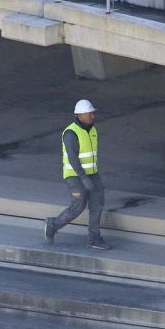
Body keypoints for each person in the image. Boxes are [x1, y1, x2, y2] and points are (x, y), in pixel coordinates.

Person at [44, 99, 109, 250]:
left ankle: (94, 238)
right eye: (89, 113)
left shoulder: (92, 130)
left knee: (97, 203)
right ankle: (53, 224)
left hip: (92, 174)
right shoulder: (71, 133)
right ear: (79, 115)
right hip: (75, 176)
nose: (92, 116)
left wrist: (90, 175)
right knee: (78, 206)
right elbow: (73, 158)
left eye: (93, 113)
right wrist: (83, 177)